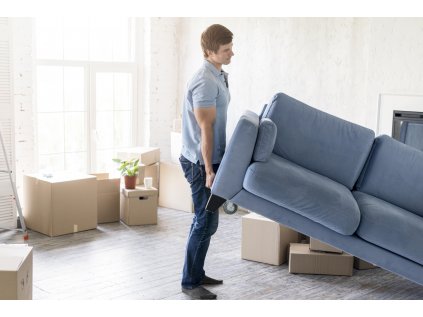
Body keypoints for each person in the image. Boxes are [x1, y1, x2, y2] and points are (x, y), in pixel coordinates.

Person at [179, 24, 234, 300]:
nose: (231, 53)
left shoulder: (219, 75)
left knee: (207, 221)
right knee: (204, 221)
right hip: (199, 163)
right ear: (210, 52)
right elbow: (206, 129)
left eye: (231, 48)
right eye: (226, 50)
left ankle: (197, 273)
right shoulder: (204, 80)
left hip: (211, 159)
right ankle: (189, 282)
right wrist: (210, 169)